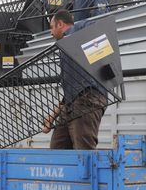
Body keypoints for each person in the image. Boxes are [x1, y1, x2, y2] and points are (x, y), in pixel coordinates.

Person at [42, 9, 108, 149]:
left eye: (52, 27)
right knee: (57, 149)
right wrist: (52, 117)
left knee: (83, 151)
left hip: (89, 99)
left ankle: (88, 170)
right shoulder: (65, 50)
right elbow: (69, 93)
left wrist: (70, 38)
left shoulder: (81, 27)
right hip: (71, 104)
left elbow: (98, 31)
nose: (51, 32)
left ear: (60, 24)